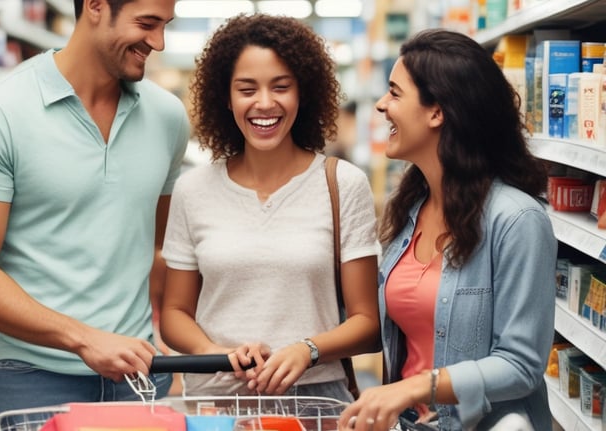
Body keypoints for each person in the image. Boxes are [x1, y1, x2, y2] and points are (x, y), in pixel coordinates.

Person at [0, 0, 190, 428]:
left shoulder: (168, 118)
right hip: (32, 379)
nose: (158, 42)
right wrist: (84, 340)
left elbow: (157, 248)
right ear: (95, 6)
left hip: (138, 378)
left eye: (165, 25)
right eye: (147, 24)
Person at [339, 28, 556, 431]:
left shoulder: (517, 220)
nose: (383, 105)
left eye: (395, 93)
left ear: (437, 112)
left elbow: (522, 365)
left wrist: (416, 387)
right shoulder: (411, 210)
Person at [159, 13, 381, 401]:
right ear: (225, 98)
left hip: (315, 402)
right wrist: (215, 355)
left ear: (303, 93)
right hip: (216, 402)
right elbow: (175, 314)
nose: (265, 103)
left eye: (281, 87)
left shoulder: (342, 184)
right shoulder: (193, 190)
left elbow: (368, 323)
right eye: (247, 89)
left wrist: (306, 350)